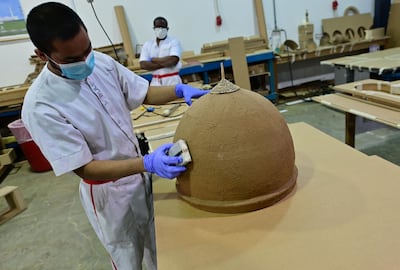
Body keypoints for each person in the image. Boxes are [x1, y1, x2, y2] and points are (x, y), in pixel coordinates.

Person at [22, 2, 208, 270]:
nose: (85, 62)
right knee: (128, 258)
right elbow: (85, 169)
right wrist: (146, 163)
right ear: (42, 55)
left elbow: (142, 92)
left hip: (140, 176)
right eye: (72, 59)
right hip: (109, 197)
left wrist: (180, 91)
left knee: (161, 250)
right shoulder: (41, 105)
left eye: (87, 50)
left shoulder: (103, 64)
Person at [139, 16, 183, 86]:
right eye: (158, 27)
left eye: (163, 27)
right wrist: (165, 63)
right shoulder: (148, 44)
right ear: (154, 28)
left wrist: (154, 60)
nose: (160, 30)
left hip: (171, 79)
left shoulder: (174, 42)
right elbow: (143, 64)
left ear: (167, 29)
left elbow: (173, 60)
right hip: (155, 80)